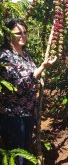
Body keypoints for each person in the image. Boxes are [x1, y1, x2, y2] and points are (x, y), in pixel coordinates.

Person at [0, 18, 57, 165]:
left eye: (25, 32)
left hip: (28, 111)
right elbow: (19, 86)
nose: (23, 36)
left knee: (25, 149)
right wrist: (43, 66)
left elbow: (33, 80)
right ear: (7, 36)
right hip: (12, 114)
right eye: (18, 33)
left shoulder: (26, 54)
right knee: (16, 152)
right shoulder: (4, 57)